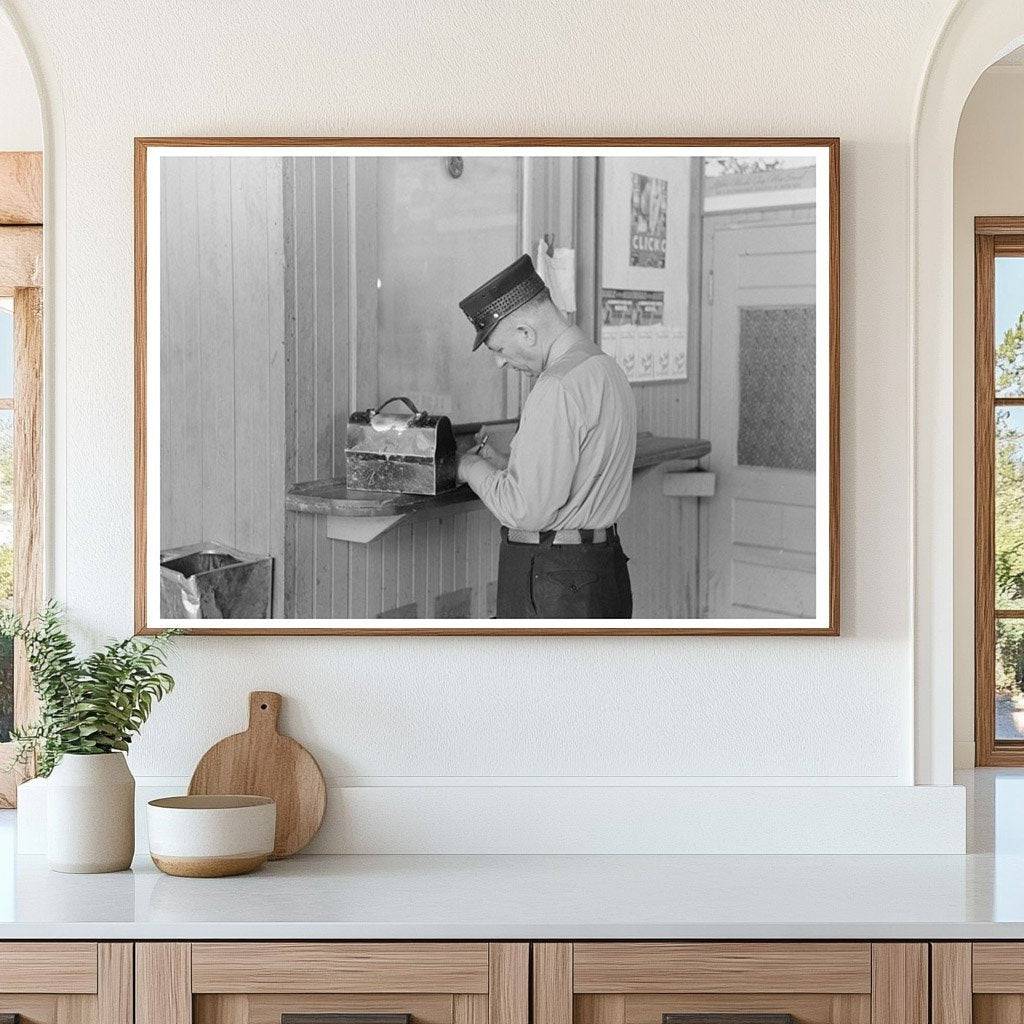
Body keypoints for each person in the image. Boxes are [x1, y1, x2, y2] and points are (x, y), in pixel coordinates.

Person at [457, 254, 637, 619]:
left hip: (557, 582)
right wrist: (504, 467)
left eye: (498, 349)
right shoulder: (604, 368)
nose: (500, 362)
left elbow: (526, 511)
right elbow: (576, 475)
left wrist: (468, 465)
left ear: (525, 332)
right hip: (602, 572)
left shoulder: (555, 386)